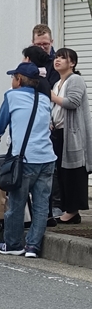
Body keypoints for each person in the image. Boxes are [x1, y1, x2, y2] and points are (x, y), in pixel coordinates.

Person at [0, 62, 56, 258]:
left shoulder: (11, 96)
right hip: (47, 158)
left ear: (19, 79)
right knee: (41, 204)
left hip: (25, 160)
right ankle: (33, 247)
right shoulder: (44, 99)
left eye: (13, 77)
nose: (12, 81)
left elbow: (1, 124)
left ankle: (13, 244)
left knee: (17, 203)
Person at [49, 48, 92, 224]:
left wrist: (51, 96)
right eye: (56, 57)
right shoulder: (58, 83)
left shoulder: (75, 80)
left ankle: (73, 211)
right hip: (58, 132)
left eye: (62, 58)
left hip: (72, 134)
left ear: (72, 63)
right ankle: (69, 210)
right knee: (61, 172)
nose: (57, 60)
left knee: (73, 173)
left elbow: (72, 103)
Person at [32, 24, 59, 88]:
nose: (42, 48)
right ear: (33, 43)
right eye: (38, 44)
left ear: (51, 42)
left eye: (45, 44)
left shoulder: (57, 62)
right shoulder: (28, 60)